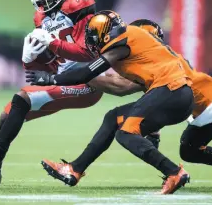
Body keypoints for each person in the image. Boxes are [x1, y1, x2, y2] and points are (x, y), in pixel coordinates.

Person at [0, 0, 142, 187]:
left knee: (23, 98)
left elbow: (84, 53)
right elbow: (40, 72)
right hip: (64, 81)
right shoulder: (40, 19)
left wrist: (53, 42)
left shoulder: (78, 4)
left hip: (86, 81)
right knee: (7, 115)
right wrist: (29, 58)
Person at [36, 19, 212, 190]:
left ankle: (172, 172)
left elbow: (152, 91)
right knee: (188, 150)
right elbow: (128, 89)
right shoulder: (152, 62)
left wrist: (66, 75)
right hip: (202, 113)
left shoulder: (160, 59)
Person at [25, 11, 195, 194]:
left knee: (125, 134)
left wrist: (53, 78)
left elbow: (88, 72)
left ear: (106, 34)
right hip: (177, 97)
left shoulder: (124, 40)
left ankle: (174, 172)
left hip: (171, 91)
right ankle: (74, 169)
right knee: (113, 118)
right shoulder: (153, 58)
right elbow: (120, 87)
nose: (92, 43)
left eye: (94, 38)